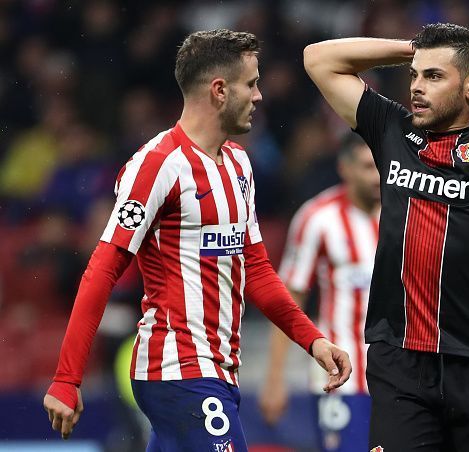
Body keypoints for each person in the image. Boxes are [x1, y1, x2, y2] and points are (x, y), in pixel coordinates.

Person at [42, 29, 352, 452]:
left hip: (219, 371)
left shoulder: (240, 165)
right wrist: (66, 377)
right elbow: (102, 269)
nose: (259, 96)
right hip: (177, 368)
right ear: (219, 90)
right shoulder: (156, 166)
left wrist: (312, 340)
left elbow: (256, 271)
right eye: (251, 83)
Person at [303, 23, 469, 451]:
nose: (417, 87)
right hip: (400, 359)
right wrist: (417, 51)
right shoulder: (393, 131)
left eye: (434, 76)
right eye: (414, 76)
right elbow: (318, 58)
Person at [259, 134, 380, 451]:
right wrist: (275, 379)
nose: (377, 176)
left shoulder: (404, 215)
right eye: (368, 167)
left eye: (380, 166)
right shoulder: (317, 218)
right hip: (341, 377)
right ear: (346, 168)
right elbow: (288, 299)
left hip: (397, 378)